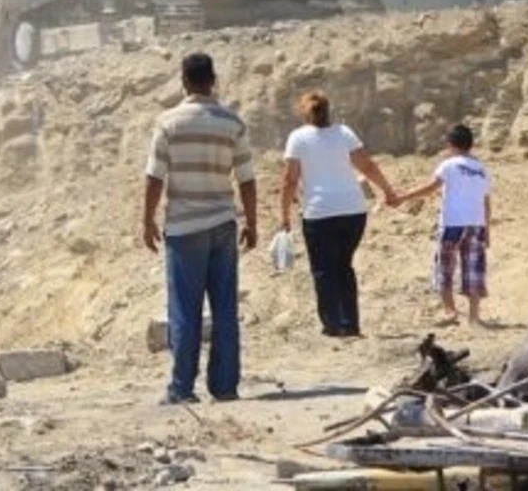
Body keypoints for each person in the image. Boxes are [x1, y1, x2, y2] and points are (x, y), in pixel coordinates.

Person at [144, 53, 257, 404]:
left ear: (183, 80)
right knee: (224, 308)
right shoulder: (232, 122)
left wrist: (146, 219)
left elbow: (154, 177)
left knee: (185, 309)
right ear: (213, 80)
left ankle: (181, 388)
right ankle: (225, 387)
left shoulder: (168, 122)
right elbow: (247, 180)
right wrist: (252, 221)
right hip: (223, 224)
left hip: (184, 227)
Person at [281, 92, 396, 338]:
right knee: (344, 266)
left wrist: (284, 216)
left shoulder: (297, 138)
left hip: (319, 212)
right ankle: (351, 323)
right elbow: (367, 166)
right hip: (353, 210)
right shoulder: (344, 133)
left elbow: (290, 179)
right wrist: (388, 191)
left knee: (324, 270)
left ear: (305, 112)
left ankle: (333, 325)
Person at [395, 124, 492, 327]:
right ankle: (474, 317)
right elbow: (486, 202)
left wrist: (403, 197)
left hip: (452, 223)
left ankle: (450, 311)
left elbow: (431, 188)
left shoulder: (448, 165)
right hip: (476, 223)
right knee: (473, 268)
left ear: (450, 144)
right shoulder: (482, 169)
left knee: (445, 267)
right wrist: (488, 231)